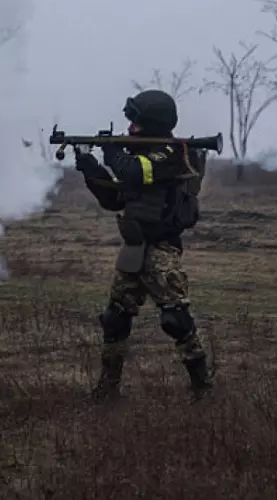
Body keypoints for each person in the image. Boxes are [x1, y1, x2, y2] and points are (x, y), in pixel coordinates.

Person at [73, 88, 214, 402]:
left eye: (136, 122)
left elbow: (134, 172)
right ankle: (107, 390)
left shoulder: (172, 153)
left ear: (152, 122)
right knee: (115, 318)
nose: (130, 128)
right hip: (134, 249)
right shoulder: (143, 154)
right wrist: (88, 166)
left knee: (176, 320)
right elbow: (114, 198)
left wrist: (110, 150)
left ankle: (202, 388)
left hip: (162, 249)